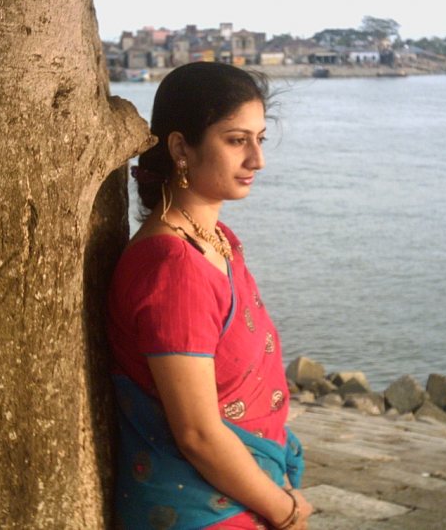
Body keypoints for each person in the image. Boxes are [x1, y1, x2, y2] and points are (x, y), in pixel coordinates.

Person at [107, 62, 313, 530]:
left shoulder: (215, 239)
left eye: (260, 138)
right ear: (181, 147)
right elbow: (198, 434)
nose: (257, 160)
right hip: (201, 511)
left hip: (240, 488)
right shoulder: (174, 268)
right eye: (237, 140)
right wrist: (287, 512)